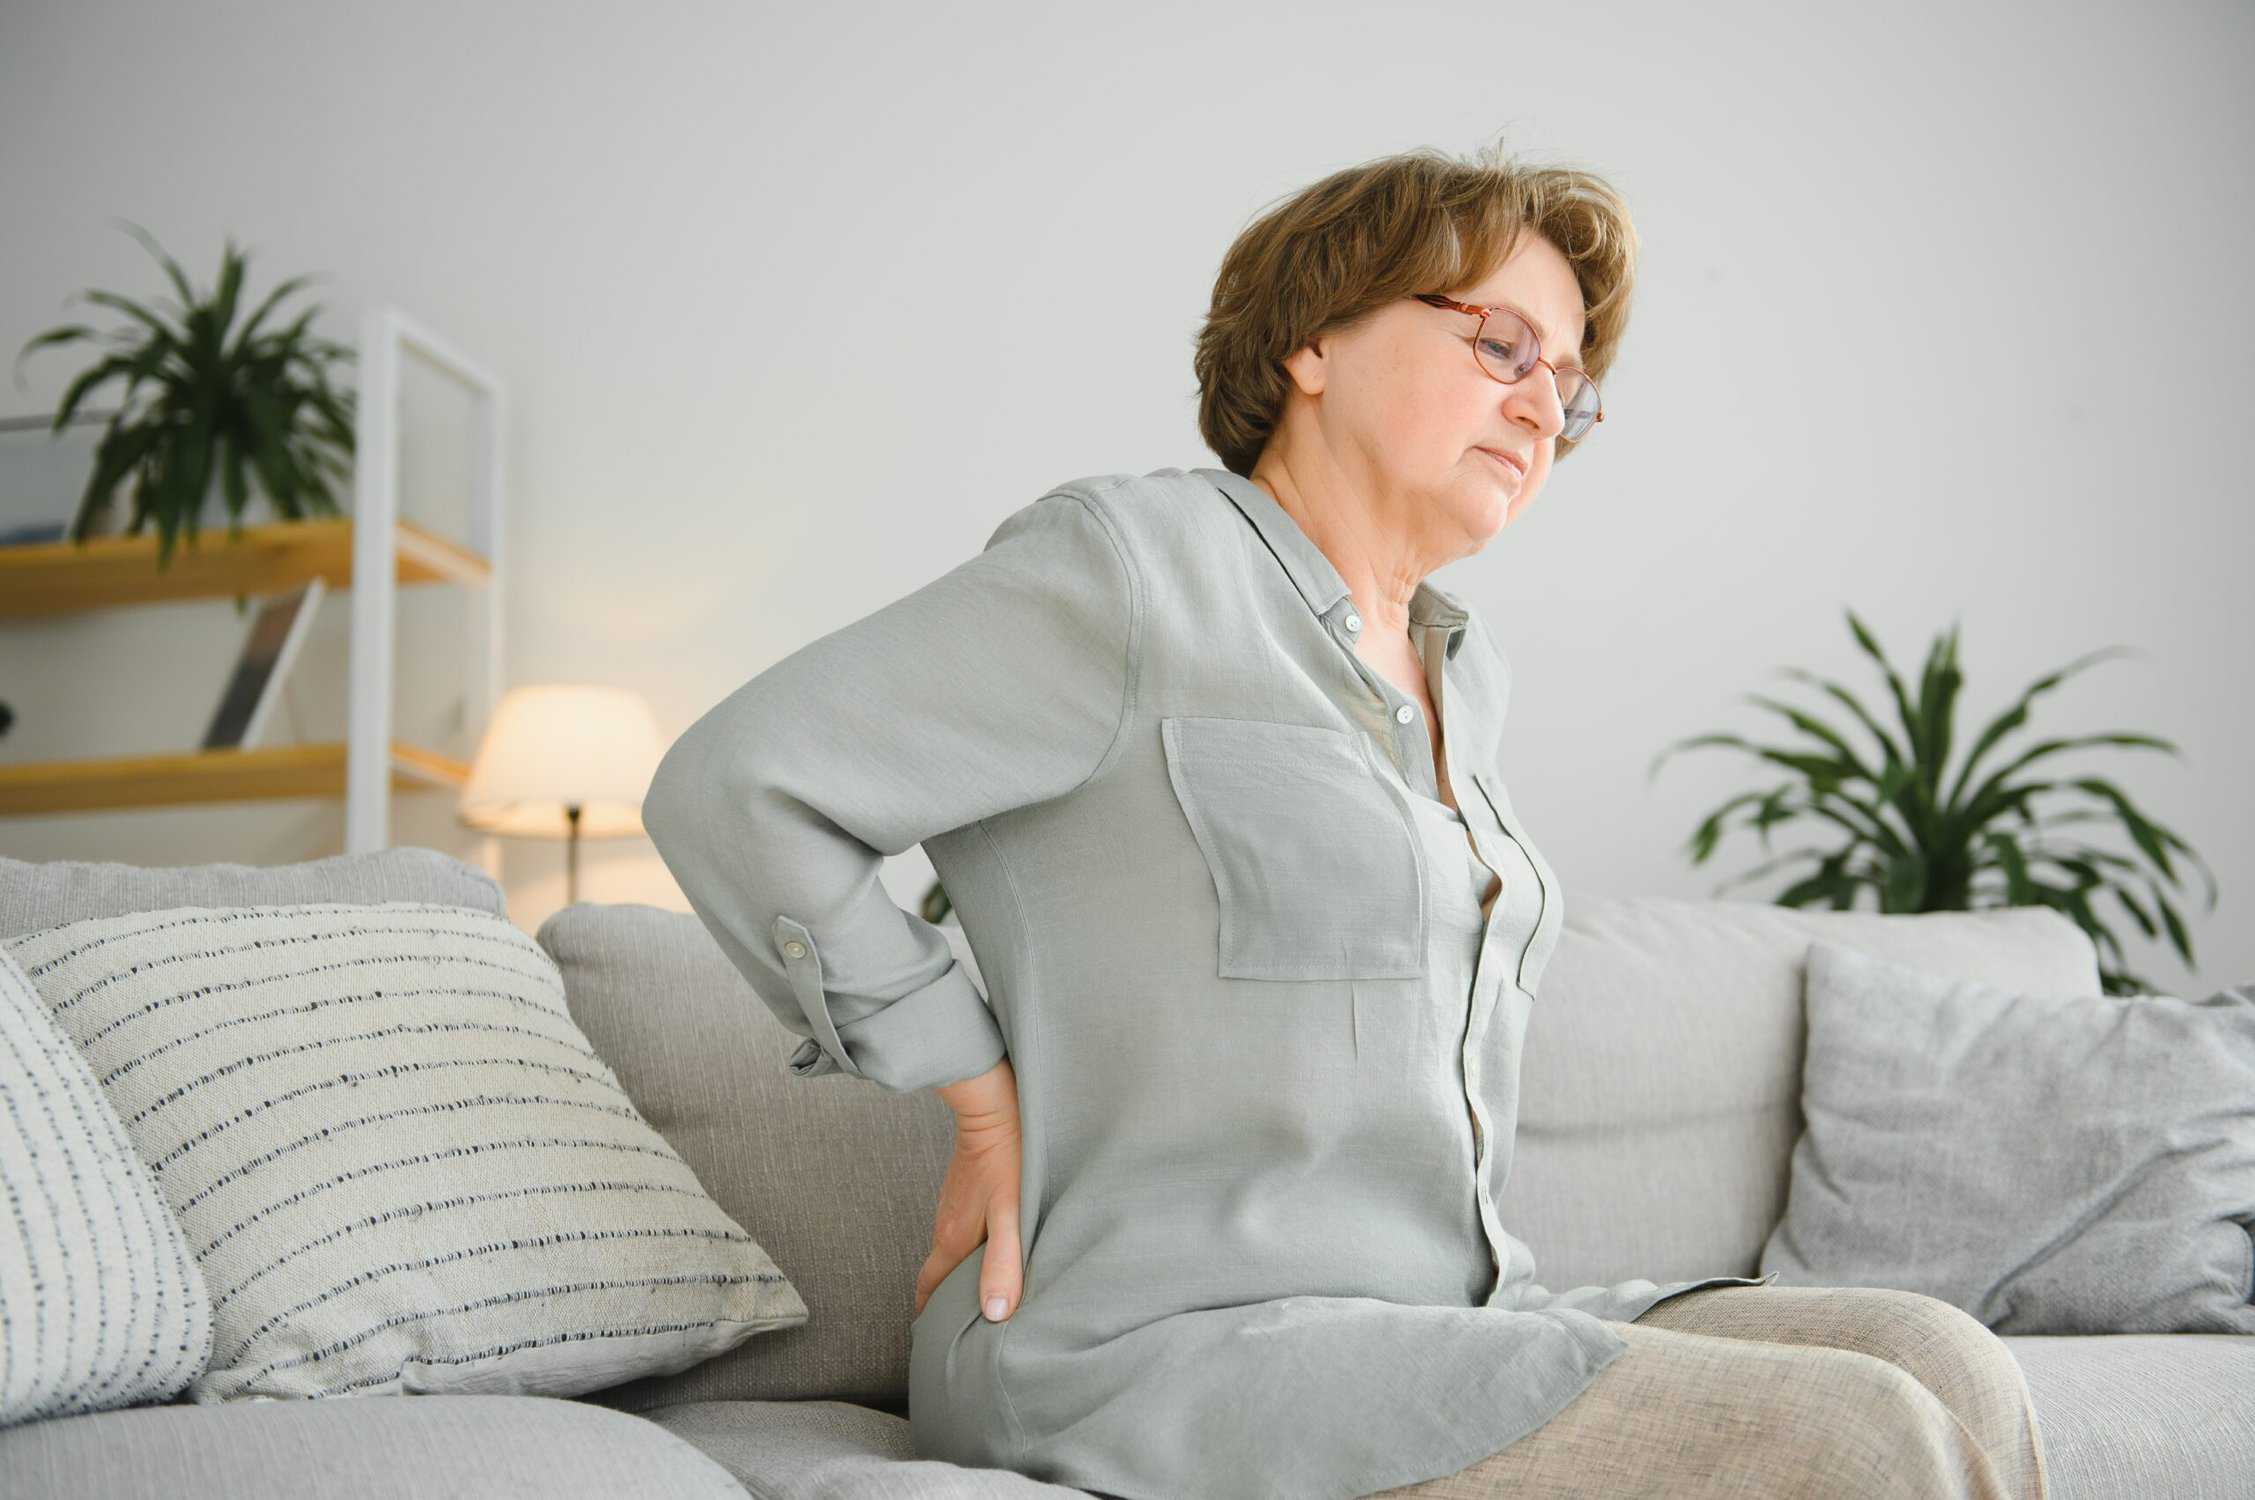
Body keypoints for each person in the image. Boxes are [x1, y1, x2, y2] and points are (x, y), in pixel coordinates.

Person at [640, 139, 2050, 1500]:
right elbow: (739, 785)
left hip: (1442, 1321)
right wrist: (973, 1086)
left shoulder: (1459, 669)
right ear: (1312, 343)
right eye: (1502, 345)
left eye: (1569, 382)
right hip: (1156, 1347)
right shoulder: (1138, 570)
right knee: (1862, 1440)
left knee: (1947, 1361)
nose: (1544, 404)